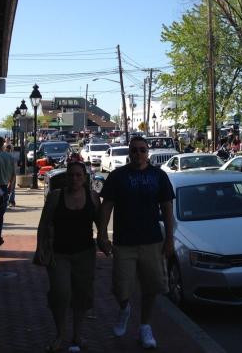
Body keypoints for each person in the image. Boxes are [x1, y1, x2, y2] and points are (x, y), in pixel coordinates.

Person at [97, 136, 175, 349]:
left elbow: (167, 208)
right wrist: (102, 235)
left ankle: (145, 327)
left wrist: (170, 238)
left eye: (142, 150)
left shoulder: (158, 176)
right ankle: (125, 309)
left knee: (151, 287)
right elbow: (107, 206)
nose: (138, 154)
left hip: (152, 240)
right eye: (134, 150)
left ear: (147, 152)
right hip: (124, 242)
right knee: (120, 288)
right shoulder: (117, 176)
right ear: (129, 153)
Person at [35, 162, 101, 353]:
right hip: (59, 254)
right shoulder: (56, 197)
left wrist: (104, 241)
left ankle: (77, 334)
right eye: (71, 175)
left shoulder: (92, 197)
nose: (75, 179)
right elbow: (44, 223)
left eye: (79, 175)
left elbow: (101, 224)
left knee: (82, 295)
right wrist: (40, 248)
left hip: (85, 253)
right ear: (66, 178)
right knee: (60, 294)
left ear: (85, 178)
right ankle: (60, 334)